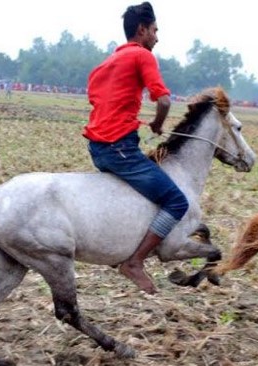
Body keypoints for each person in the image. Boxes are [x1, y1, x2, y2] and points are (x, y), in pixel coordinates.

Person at [83, 1, 188, 294]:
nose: (157, 36)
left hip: (98, 148)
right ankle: (135, 262)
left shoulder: (104, 64)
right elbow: (164, 100)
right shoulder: (142, 56)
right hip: (120, 149)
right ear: (142, 30)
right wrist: (157, 124)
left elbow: (98, 100)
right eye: (155, 30)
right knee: (177, 201)